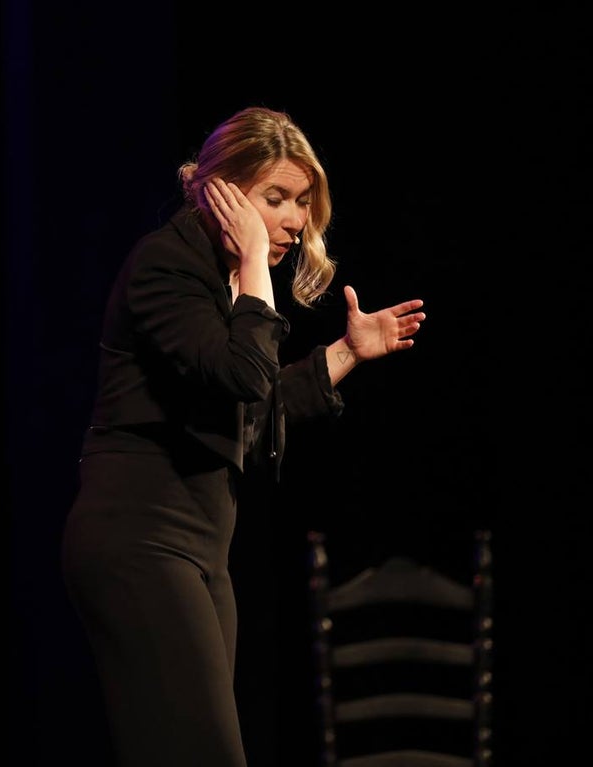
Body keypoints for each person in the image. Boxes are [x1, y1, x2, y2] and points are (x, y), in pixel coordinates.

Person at [59, 105, 427, 767]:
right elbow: (244, 376)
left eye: (302, 202)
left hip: (200, 545)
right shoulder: (166, 267)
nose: (293, 219)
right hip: (140, 539)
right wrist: (256, 262)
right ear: (219, 191)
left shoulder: (220, 282)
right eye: (275, 198)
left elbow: (249, 411)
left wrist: (346, 351)